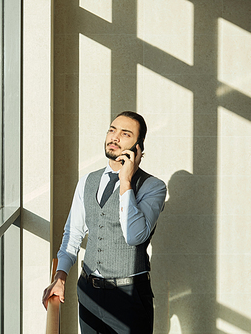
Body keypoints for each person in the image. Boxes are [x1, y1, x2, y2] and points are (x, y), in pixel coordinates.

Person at [42, 111, 167, 333]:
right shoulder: (87, 182)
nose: (115, 137)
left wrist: (126, 180)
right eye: (112, 130)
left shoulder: (153, 187)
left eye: (125, 134)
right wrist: (60, 276)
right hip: (88, 291)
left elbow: (134, 236)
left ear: (139, 146)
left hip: (129, 296)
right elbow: (72, 235)